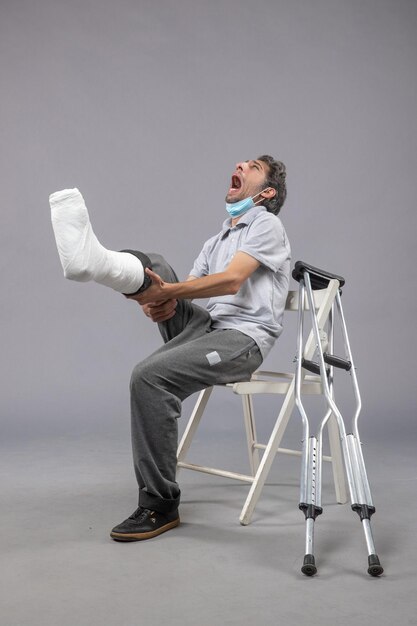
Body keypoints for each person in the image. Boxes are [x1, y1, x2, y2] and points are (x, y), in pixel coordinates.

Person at [49, 155, 291, 542]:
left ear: (266, 192)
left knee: (148, 377)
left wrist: (167, 294)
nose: (240, 165)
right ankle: (93, 262)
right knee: (157, 264)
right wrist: (156, 301)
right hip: (208, 328)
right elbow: (186, 288)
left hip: (242, 340)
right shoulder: (218, 239)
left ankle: (159, 504)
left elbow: (230, 282)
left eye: (252, 166)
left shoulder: (266, 225)